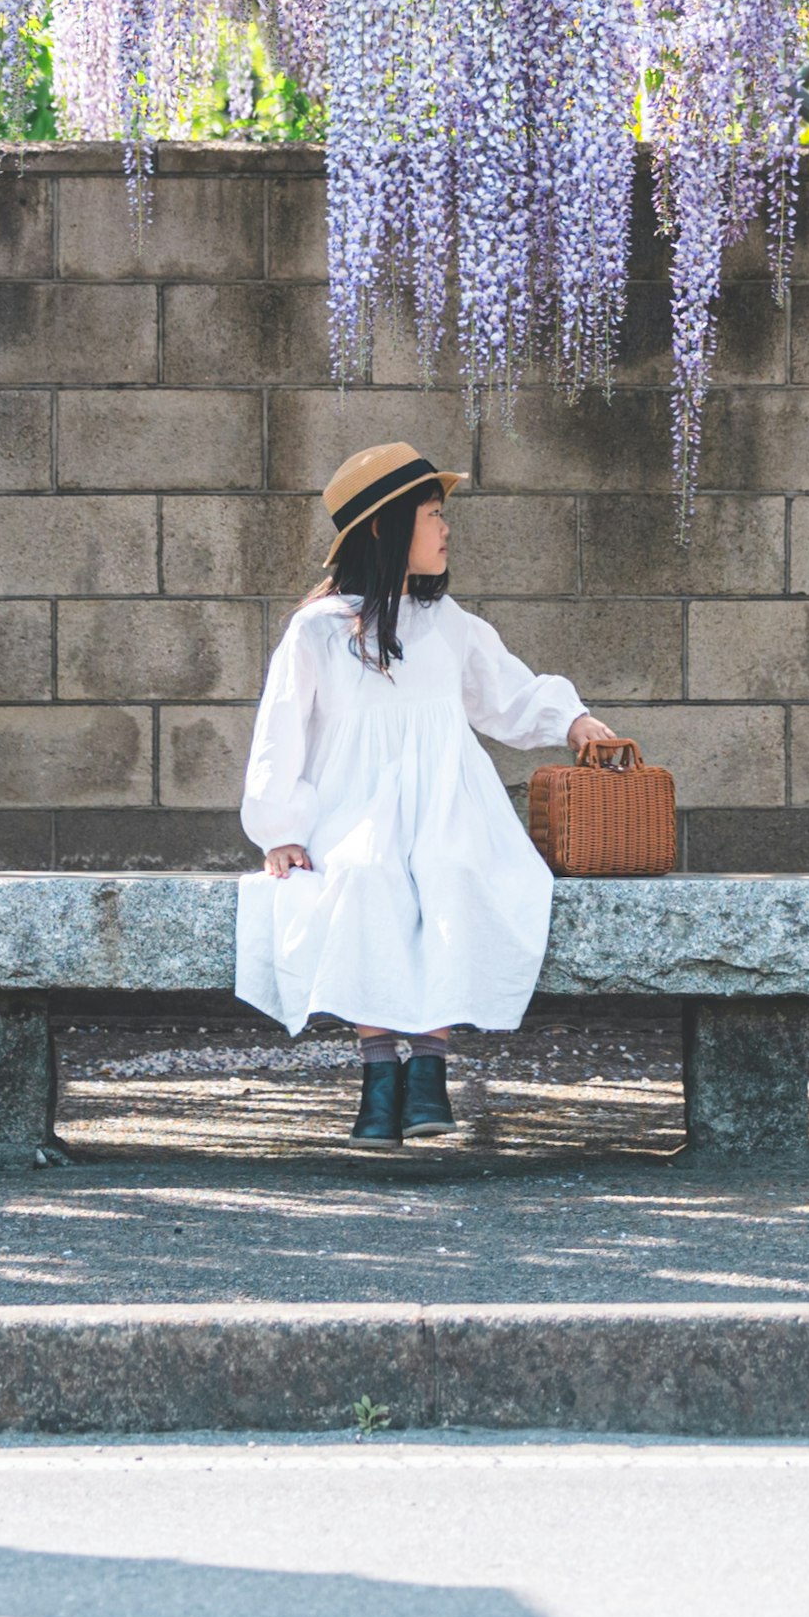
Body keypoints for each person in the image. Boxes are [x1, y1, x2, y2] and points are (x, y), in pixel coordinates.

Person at [237, 442, 623, 1146]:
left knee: (451, 871)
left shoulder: (447, 626)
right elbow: (281, 729)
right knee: (363, 878)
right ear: (385, 529)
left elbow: (508, 692)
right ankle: (379, 1070)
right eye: (433, 514)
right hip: (356, 812)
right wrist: (279, 825)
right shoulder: (318, 632)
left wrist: (570, 718)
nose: (446, 529)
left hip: (450, 807)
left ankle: (431, 1068)